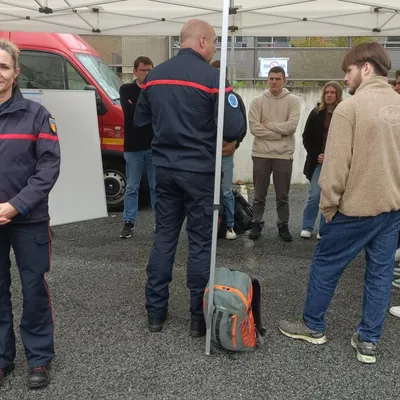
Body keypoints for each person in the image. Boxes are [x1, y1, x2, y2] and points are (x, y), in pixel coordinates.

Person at [278, 42, 400, 364]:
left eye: (348, 70)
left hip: (354, 209)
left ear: (366, 68)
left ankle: (312, 325)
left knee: (325, 266)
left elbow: (334, 168)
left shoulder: (351, 108)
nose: (344, 78)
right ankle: (368, 341)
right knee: (380, 274)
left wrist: (328, 207)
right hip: (392, 210)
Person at [134, 19, 245, 337]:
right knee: (200, 244)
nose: (212, 50)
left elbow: (141, 120)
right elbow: (235, 128)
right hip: (199, 172)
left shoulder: (153, 77)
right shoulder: (213, 78)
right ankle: (198, 318)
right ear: (201, 41)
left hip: (165, 170)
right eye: (212, 44)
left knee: (164, 239)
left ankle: (155, 312)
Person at [0, 39, 60, 388]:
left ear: (16, 72)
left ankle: (39, 359)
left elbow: (48, 169)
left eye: (4, 67)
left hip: (29, 221)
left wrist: (14, 205)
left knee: (33, 288)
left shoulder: (37, 116)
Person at [248, 66, 301, 242]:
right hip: (261, 154)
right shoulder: (257, 101)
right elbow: (255, 128)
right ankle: (256, 223)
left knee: (283, 195)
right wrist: (280, 133)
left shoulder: (293, 101)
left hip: (283, 155)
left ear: (284, 80)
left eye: (278, 79)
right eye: (271, 78)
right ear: (267, 80)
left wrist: (268, 125)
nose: (274, 82)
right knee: (258, 194)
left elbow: (291, 127)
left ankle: (283, 225)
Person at [119, 56, 156, 238]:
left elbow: (156, 114)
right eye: (142, 70)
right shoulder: (126, 89)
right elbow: (132, 114)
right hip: (133, 148)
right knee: (132, 186)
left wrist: (141, 109)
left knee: (156, 187)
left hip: (153, 147)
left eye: (149, 70)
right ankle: (129, 222)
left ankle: (160, 223)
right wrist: (146, 109)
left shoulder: (156, 90)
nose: (146, 73)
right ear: (134, 71)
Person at [210, 60, 247, 240]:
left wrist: (233, 145)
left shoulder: (234, 98)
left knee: (225, 191)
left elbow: (242, 126)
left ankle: (230, 226)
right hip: (207, 154)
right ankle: (212, 226)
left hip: (225, 155)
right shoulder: (205, 96)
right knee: (210, 192)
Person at [300, 81, 343, 239]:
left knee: (329, 195)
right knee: (315, 194)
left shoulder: (344, 112)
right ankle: (307, 226)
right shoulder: (316, 112)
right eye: (327, 92)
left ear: (338, 94)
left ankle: (324, 229)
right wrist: (316, 154)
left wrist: (334, 156)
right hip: (318, 161)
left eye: (332, 92)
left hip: (336, 162)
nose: (329, 95)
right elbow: (307, 136)